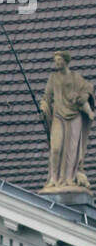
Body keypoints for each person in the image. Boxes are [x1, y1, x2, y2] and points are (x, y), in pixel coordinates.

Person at [40, 50, 95, 191]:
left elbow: (88, 88)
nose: (57, 63)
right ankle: (54, 178)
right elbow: (47, 96)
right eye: (56, 60)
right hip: (58, 116)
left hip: (75, 117)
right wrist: (43, 107)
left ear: (65, 61)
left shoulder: (75, 78)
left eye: (59, 60)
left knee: (72, 150)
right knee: (56, 148)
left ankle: (69, 178)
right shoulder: (53, 78)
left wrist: (85, 99)